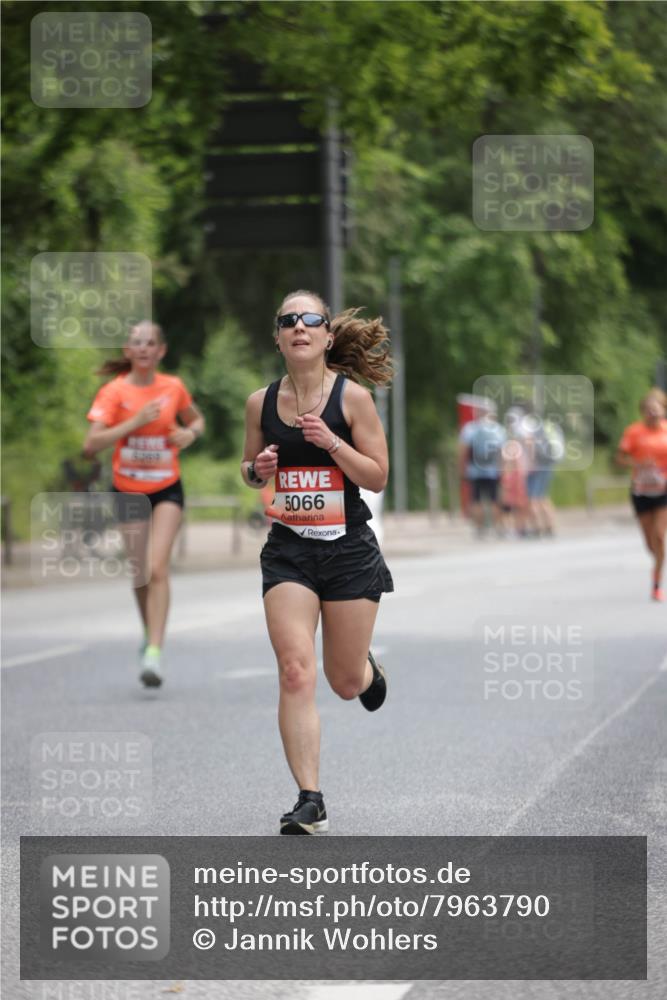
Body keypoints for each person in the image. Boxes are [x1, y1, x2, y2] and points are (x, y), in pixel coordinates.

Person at [241, 290, 393, 834]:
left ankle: (367, 668)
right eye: (288, 320)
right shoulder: (260, 402)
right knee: (294, 669)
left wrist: (331, 443)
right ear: (278, 337)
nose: (299, 327)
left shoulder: (352, 401)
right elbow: (250, 470)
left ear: (328, 336)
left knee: (344, 681)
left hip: (348, 548)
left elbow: (376, 476)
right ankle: (310, 800)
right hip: (289, 551)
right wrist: (256, 469)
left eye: (310, 320)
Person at [83, 321, 205, 685]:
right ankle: (148, 631)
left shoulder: (173, 387)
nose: (144, 348)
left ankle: (154, 651)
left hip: (167, 486)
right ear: (127, 350)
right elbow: (91, 446)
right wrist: (133, 422)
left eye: (151, 343)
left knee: (156, 568)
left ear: (161, 351)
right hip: (127, 489)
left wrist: (189, 433)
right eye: (137, 342)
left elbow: (196, 419)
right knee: (139, 573)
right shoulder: (113, 392)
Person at [617, 388, 667, 601]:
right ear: (642, 412)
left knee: (659, 535)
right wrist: (637, 463)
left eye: (656, 410)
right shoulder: (634, 432)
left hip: (663, 490)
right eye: (648, 410)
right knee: (650, 543)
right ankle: (657, 560)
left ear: (663, 410)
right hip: (641, 491)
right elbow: (620, 459)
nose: (652, 414)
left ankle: (656, 584)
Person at [458, 400, 506, 536]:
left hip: (475, 470)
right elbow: (502, 452)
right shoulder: (498, 429)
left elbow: (463, 451)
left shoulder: (470, 428)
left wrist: (462, 469)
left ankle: (479, 529)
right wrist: (502, 469)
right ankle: (498, 528)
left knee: (476, 499)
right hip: (493, 471)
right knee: (494, 499)